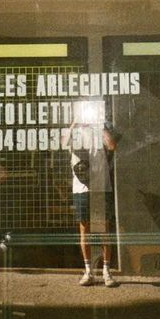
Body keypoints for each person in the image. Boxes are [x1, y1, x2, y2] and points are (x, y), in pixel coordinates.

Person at [66, 114, 119, 287]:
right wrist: (75, 123)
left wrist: (99, 124)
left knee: (103, 229)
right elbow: (63, 142)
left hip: (100, 187)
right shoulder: (74, 133)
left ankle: (106, 272)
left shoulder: (99, 131)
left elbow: (111, 145)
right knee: (84, 229)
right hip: (81, 188)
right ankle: (88, 271)